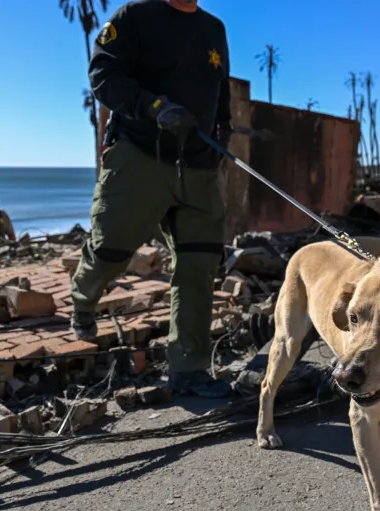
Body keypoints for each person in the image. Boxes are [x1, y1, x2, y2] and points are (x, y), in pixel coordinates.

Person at [71, 0, 232, 398]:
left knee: (199, 263)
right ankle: (83, 299)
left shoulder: (215, 29)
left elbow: (220, 89)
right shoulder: (133, 17)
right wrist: (154, 106)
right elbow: (103, 73)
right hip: (140, 153)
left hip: (198, 165)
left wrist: (221, 137)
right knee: (111, 248)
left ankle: (189, 369)